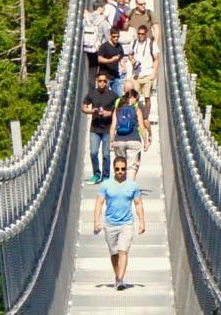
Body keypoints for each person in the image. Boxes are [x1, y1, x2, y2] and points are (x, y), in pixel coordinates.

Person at [93, 155, 145, 290]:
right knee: (114, 254)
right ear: (113, 169)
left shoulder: (132, 186)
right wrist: (96, 221)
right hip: (110, 223)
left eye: (123, 169)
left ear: (126, 169)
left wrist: (142, 222)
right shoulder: (106, 185)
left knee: (123, 251)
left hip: (127, 223)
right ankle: (117, 277)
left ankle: (121, 279)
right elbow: (99, 203)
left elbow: (138, 204)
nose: (120, 171)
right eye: (117, 169)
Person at [82, 73, 118, 184]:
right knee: (93, 152)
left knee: (106, 155)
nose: (102, 83)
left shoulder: (113, 95)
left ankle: (106, 176)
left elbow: (118, 109)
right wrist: (90, 111)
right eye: (100, 81)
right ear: (97, 81)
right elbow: (84, 106)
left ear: (107, 82)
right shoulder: (92, 93)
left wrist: (109, 113)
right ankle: (96, 174)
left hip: (107, 129)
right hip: (95, 128)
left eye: (104, 81)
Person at [111, 88, 151, 179]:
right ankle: (129, 188)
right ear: (132, 98)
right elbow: (141, 127)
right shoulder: (136, 109)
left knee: (121, 165)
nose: (136, 101)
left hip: (119, 140)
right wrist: (145, 142)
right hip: (134, 140)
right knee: (132, 167)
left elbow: (113, 126)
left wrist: (111, 140)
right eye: (136, 99)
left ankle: (121, 186)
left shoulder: (117, 110)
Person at [127, 25, 158, 112]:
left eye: (142, 34)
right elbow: (130, 54)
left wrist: (154, 74)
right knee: (134, 96)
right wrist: (132, 60)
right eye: (139, 34)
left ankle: (146, 116)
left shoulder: (151, 44)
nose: (140, 35)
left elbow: (156, 59)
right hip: (136, 74)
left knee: (147, 97)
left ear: (146, 34)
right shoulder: (134, 42)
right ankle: (135, 114)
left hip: (147, 74)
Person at [97, 28, 126, 96]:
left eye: (118, 37)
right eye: (114, 36)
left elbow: (120, 58)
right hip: (105, 76)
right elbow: (99, 59)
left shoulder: (119, 46)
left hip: (115, 75)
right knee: (104, 96)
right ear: (110, 35)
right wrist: (110, 60)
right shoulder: (104, 46)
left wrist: (124, 67)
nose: (116, 38)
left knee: (119, 96)